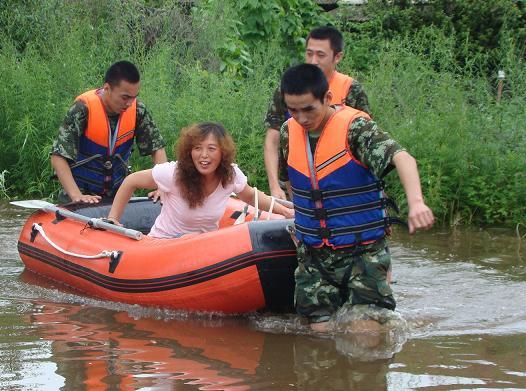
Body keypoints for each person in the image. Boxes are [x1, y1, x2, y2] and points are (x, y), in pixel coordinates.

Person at [279, 64, 434, 333]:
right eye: (293, 110)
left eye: (308, 109)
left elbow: (403, 158)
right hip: (315, 256)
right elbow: (295, 183)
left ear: (327, 98)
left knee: (367, 333)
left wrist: (417, 202)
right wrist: (304, 224)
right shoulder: (287, 132)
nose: (301, 118)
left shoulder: (357, 129)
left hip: (362, 252)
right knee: (319, 337)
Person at [106, 122, 293, 238]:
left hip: (202, 249)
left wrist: (285, 211)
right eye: (197, 148)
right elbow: (131, 181)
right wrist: (113, 219)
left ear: (222, 153)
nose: (204, 156)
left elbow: (251, 196)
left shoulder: (230, 175)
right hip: (163, 245)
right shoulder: (174, 173)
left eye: (211, 149)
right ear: (190, 151)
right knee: (192, 238)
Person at [264, 26, 370, 201]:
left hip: (339, 184)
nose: (313, 61)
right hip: (298, 181)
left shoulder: (351, 89)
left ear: (337, 57)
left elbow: (364, 142)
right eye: (309, 53)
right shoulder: (290, 88)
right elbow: (272, 138)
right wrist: (275, 186)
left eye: (320, 55)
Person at [50, 60, 167, 205]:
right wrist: (76, 195)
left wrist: (163, 187)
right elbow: (58, 157)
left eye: (134, 97)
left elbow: (157, 149)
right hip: (82, 194)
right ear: (107, 88)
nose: (130, 103)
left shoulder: (138, 111)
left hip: (118, 194)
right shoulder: (82, 109)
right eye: (125, 97)